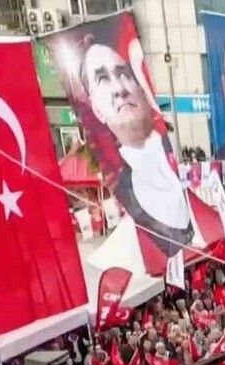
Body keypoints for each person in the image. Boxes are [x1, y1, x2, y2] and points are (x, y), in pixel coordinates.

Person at [78, 36, 198, 271]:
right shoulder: (126, 192)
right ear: (97, 109)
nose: (119, 89)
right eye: (103, 79)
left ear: (139, 86)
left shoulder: (174, 161)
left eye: (123, 73)